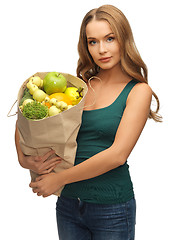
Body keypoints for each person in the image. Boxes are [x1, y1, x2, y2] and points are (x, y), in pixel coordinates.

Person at [15, 4, 162, 240]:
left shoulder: (138, 91)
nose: (101, 49)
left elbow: (118, 154)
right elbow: (31, 115)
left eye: (109, 39)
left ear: (124, 39)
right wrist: (24, 160)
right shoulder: (81, 84)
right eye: (92, 41)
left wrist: (58, 179)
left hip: (112, 208)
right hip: (68, 205)